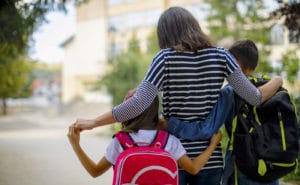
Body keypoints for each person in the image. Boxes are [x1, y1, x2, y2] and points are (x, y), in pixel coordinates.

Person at [73, 7, 283, 185]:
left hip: (174, 155)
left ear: (165, 34)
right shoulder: (222, 56)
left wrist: (93, 122)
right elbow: (254, 97)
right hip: (211, 160)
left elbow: (139, 104)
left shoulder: (165, 59)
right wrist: (277, 81)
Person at [163, 39, 280, 185]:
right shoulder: (272, 89)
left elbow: (206, 129)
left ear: (234, 62)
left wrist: (170, 124)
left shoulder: (230, 93)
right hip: (272, 166)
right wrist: (278, 80)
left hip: (242, 167)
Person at [67, 95, 222, 180]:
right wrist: (213, 144)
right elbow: (194, 168)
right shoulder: (168, 140)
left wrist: (76, 145)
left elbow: (95, 172)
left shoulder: (121, 141)